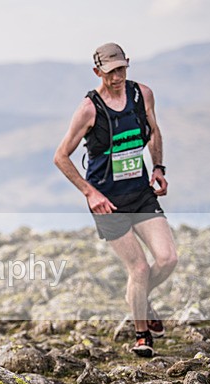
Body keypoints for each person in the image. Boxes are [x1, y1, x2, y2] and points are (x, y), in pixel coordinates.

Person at [53, 43, 178, 357]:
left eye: (122, 69)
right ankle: (142, 335)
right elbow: (60, 157)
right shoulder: (89, 109)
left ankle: (140, 301)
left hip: (140, 193)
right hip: (107, 203)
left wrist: (159, 167)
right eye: (111, 72)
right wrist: (90, 193)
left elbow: (154, 131)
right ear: (98, 72)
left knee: (167, 259)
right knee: (138, 268)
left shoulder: (142, 95)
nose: (118, 76)